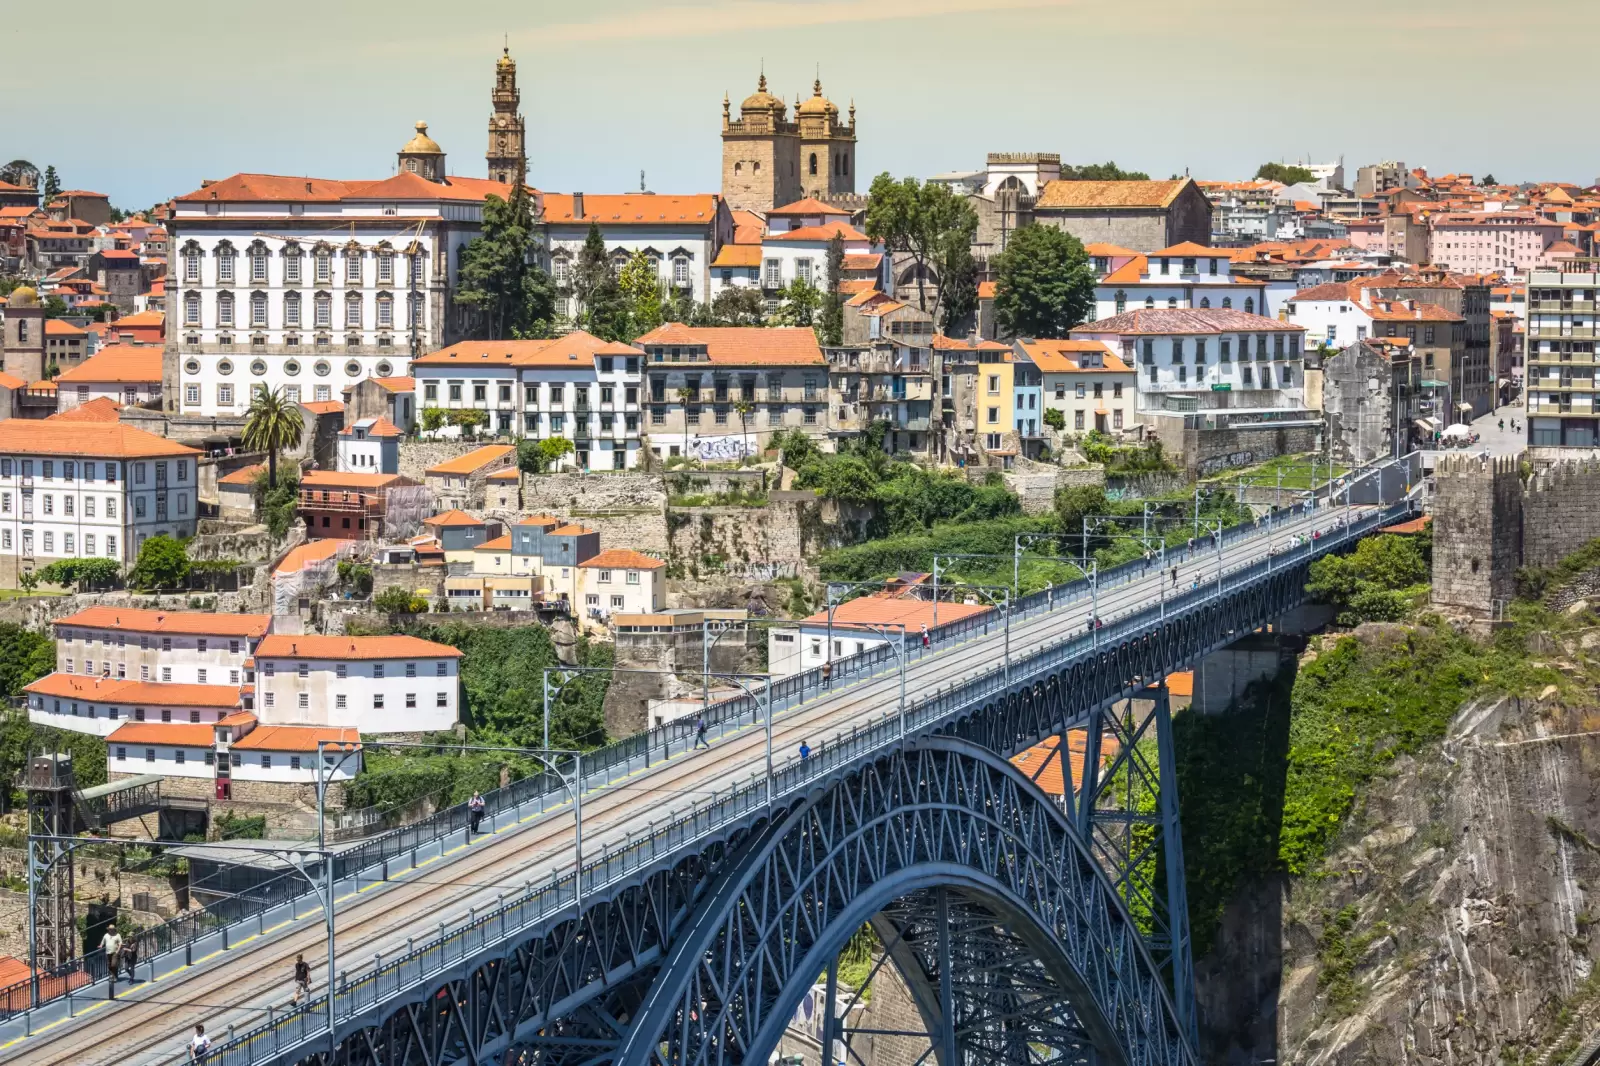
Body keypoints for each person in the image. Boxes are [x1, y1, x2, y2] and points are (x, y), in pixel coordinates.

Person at [101, 926, 122, 998]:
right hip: (108, 952)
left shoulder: (117, 935)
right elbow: (103, 941)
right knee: (109, 965)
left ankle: (114, 976)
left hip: (114, 952)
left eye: (111, 929)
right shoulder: (106, 935)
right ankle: (112, 976)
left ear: (113, 930)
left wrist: (118, 951)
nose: (110, 930)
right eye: (109, 929)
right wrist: (101, 945)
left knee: (113, 964)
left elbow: (120, 943)